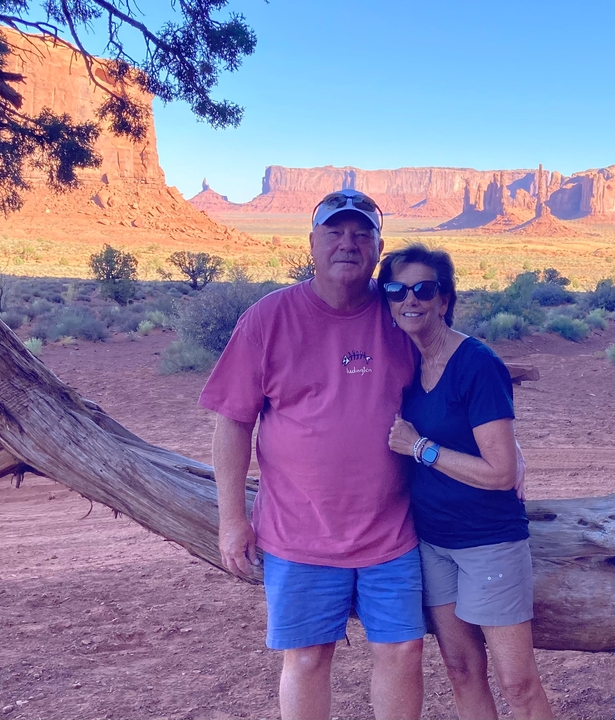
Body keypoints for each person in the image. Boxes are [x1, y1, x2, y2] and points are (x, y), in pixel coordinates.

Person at [200, 190, 425, 720]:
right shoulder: (268, 318)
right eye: (335, 232)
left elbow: (455, 386)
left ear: (378, 247)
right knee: (306, 657)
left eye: (361, 233)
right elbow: (232, 421)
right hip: (297, 533)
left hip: (391, 531)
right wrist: (231, 520)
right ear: (312, 243)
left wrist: (509, 450)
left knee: (402, 651)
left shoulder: (403, 316)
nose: (348, 243)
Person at [381, 244, 554, 720]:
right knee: (461, 670)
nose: (409, 300)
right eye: (396, 290)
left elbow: (500, 474)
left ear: (444, 299)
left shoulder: (476, 363)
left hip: (488, 541)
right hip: (432, 541)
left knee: (518, 684)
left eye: (423, 289)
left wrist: (422, 448)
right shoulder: (401, 362)